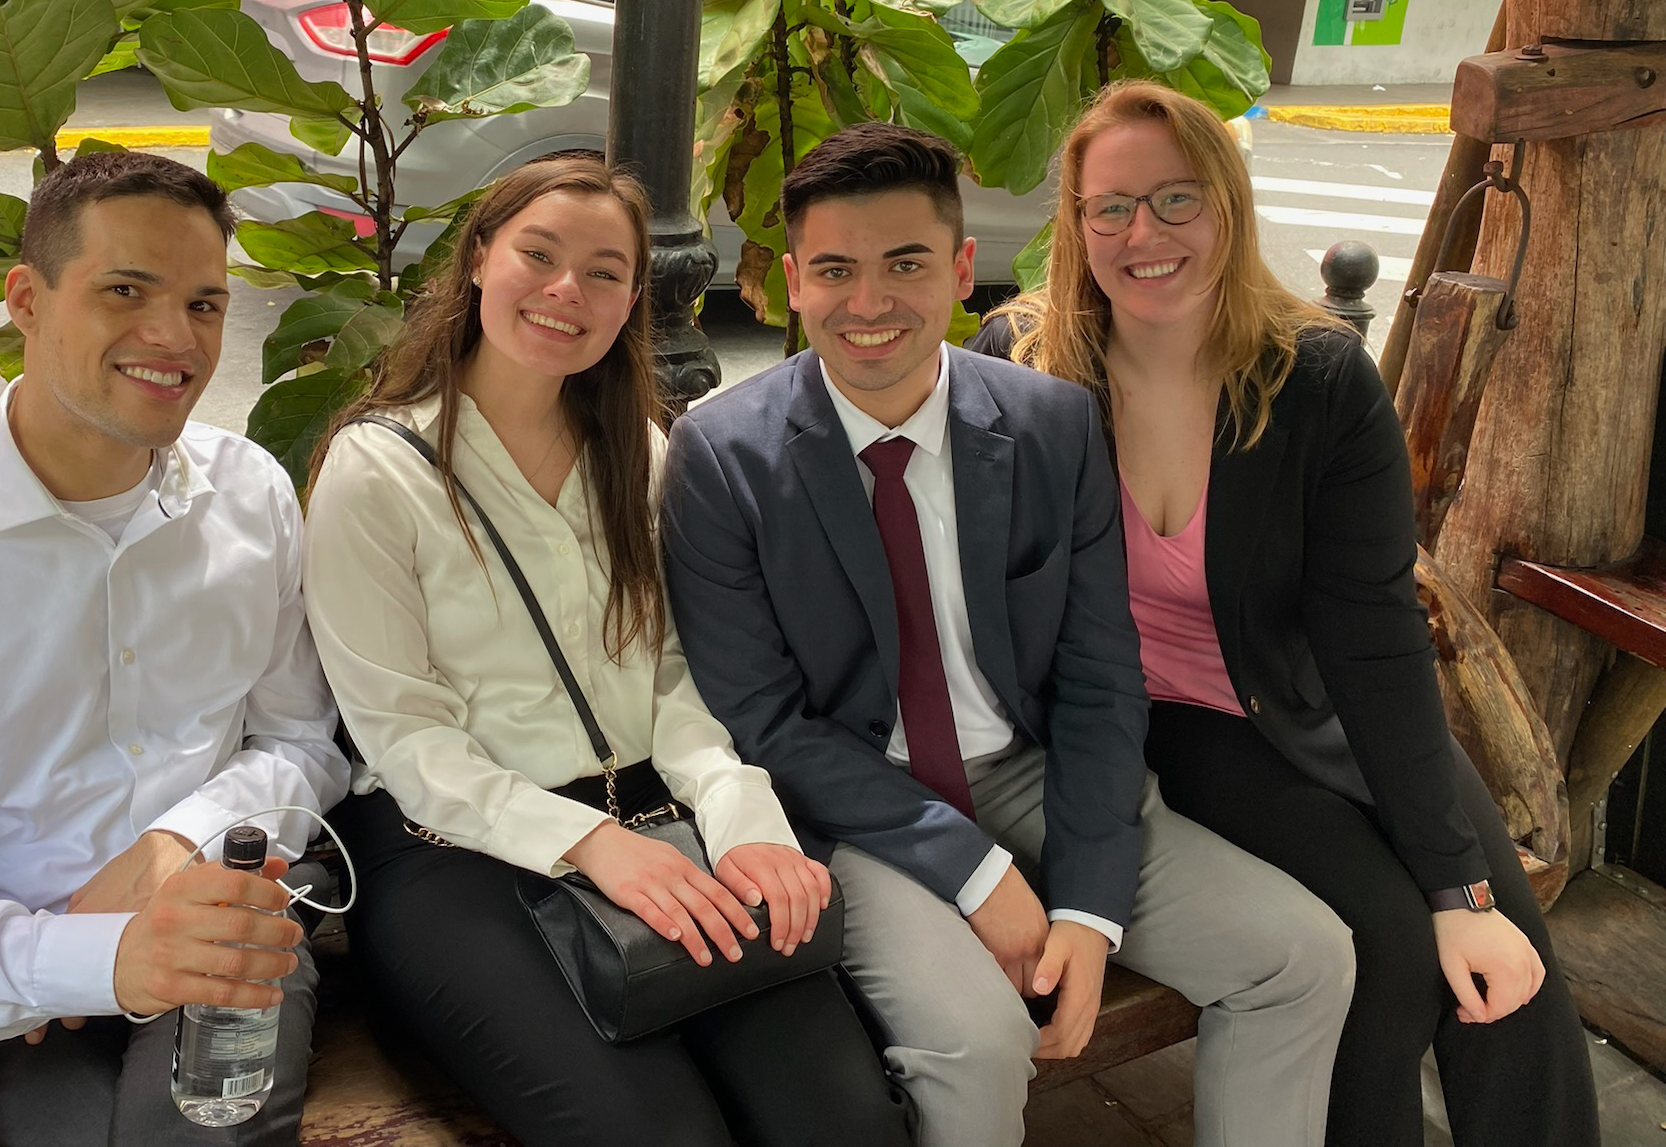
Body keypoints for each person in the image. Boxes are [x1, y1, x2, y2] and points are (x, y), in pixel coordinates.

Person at [660, 120, 1356, 1147]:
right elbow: (765, 721)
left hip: (1027, 768)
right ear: (793, 281)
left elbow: (1097, 671)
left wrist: (1086, 906)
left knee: (1303, 955)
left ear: (963, 268)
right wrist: (979, 876)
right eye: (835, 270)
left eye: (906, 264)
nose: (869, 303)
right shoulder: (720, 457)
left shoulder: (1048, 424)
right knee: (979, 1044)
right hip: (849, 802)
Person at [969, 79, 1600, 1147]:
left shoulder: (1316, 378)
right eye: (1110, 206)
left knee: (1505, 951)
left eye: (1176, 200)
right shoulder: (1025, 369)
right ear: (1075, 224)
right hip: (1179, 719)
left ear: (1227, 205)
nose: (1143, 233)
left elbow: (1374, 633)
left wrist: (1464, 886)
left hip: (1326, 697)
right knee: (1395, 947)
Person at [302, 152, 909, 1147]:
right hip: (457, 850)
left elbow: (683, 674)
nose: (564, 292)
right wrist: (589, 844)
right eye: (537, 254)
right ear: (479, 258)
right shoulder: (381, 470)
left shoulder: (642, 448)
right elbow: (403, 736)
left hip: (659, 817)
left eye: (603, 271)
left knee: (841, 1119)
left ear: (633, 297)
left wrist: (745, 821)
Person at [0, 151, 349, 1145]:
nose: (174, 338)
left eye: (207, 304)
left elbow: (303, 744)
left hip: (228, 908)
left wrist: (176, 842)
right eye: (125, 290)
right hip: (10, 963)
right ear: (27, 299)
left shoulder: (250, 492)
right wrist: (96, 956)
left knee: (202, 1128)